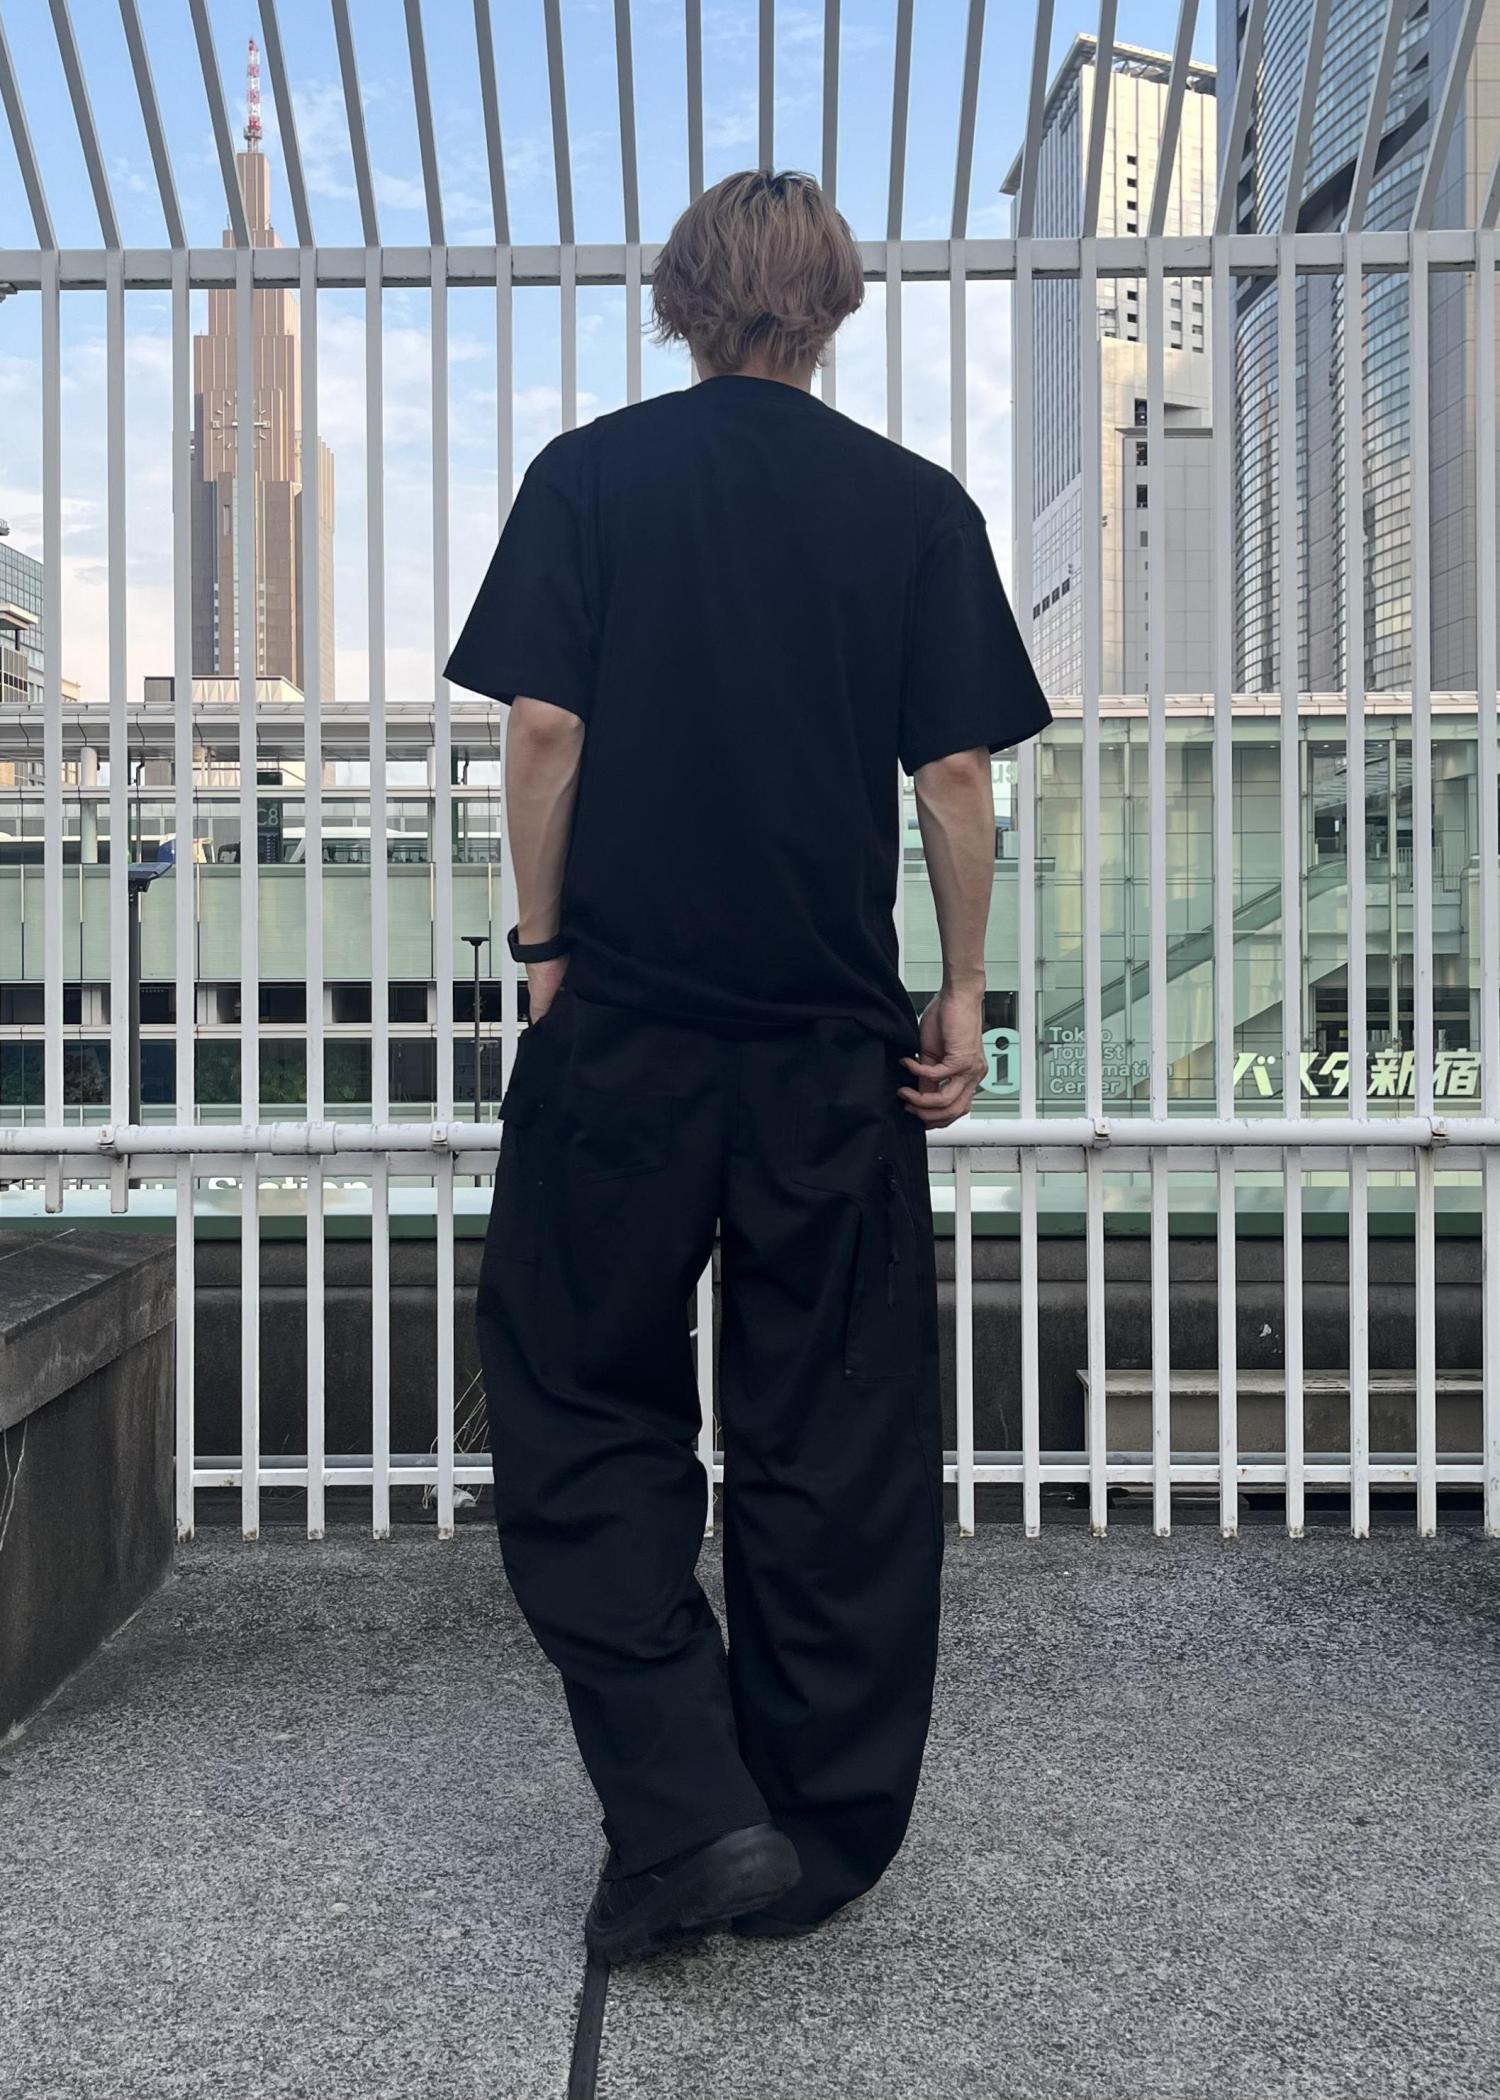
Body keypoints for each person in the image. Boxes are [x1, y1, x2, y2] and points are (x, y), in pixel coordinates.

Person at [444, 168, 1052, 1963]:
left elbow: (543, 729)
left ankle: (685, 1805)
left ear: (679, 299)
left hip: (624, 1036)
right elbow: (956, 776)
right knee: (838, 1437)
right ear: (838, 306)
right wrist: (961, 989)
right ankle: (814, 1831)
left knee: (577, 1408)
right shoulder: (913, 504)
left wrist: (544, 952)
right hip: (827, 1058)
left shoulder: (590, 477)